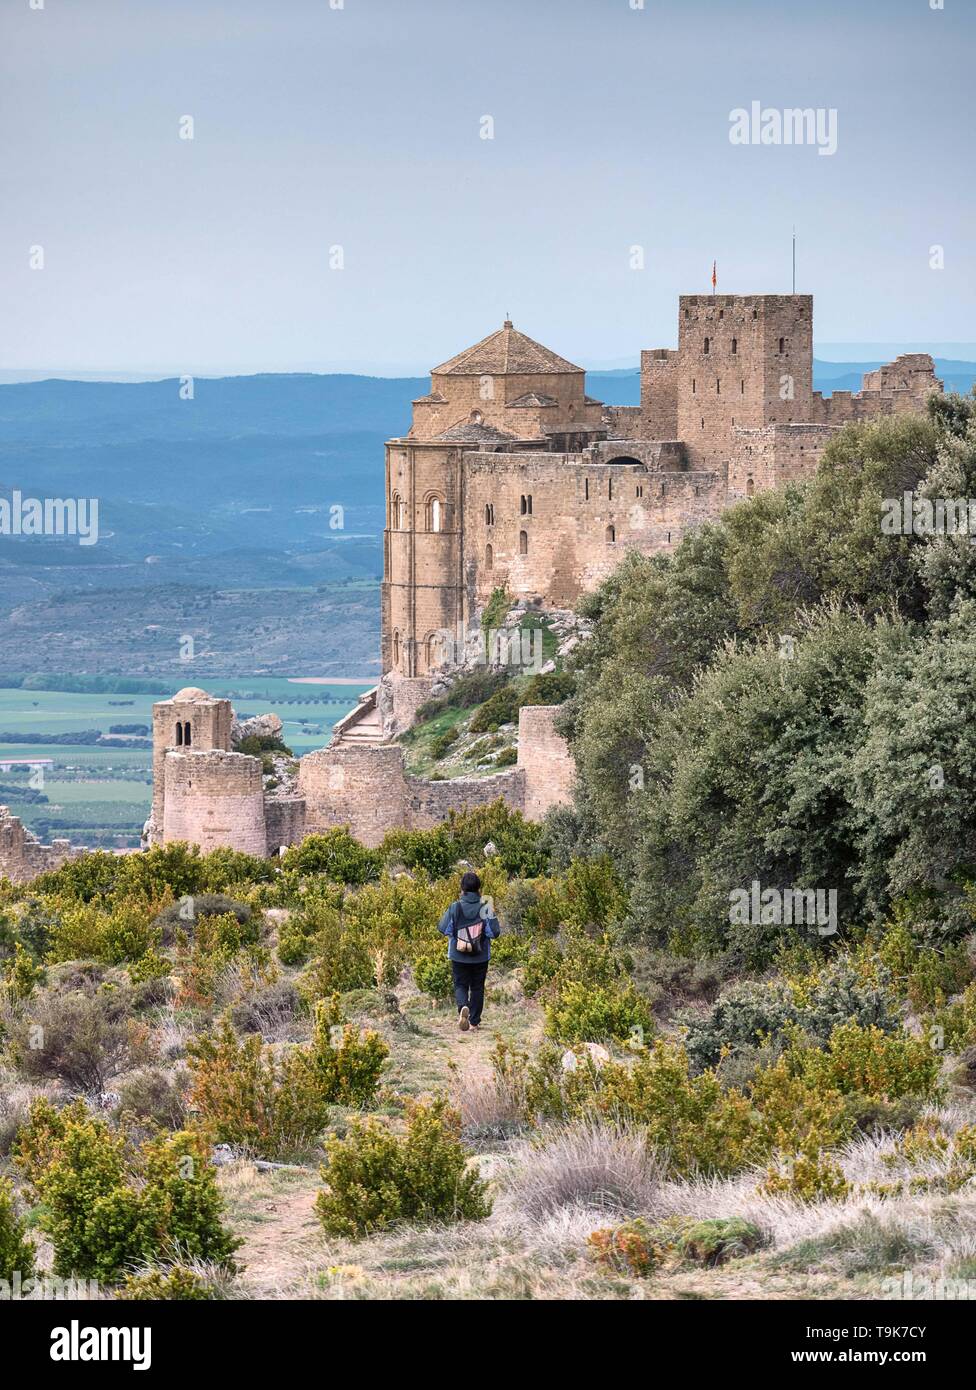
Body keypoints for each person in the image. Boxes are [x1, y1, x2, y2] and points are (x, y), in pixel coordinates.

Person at [438, 870, 501, 1031]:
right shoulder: (485, 907)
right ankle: (474, 1022)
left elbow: (443, 928)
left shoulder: (455, 907)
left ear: (462, 888)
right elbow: (494, 933)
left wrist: (458, 936)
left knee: (460, 985)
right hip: (480, 956)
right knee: (477, 987)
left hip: (458, 955)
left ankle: (462, 1008)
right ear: (479, 888)